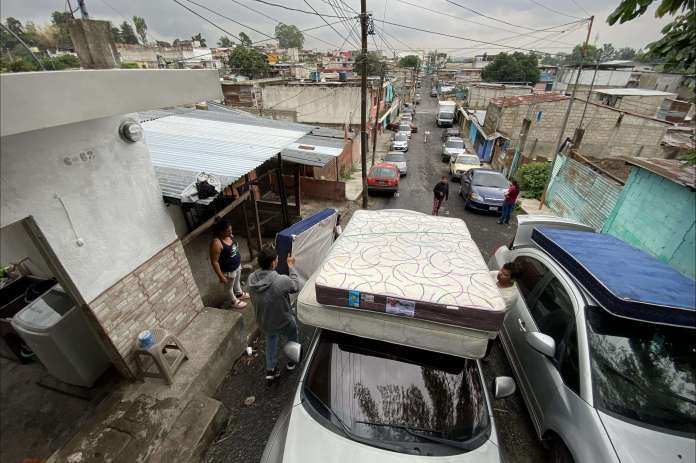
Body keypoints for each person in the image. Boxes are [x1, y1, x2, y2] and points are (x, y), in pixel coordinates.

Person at [248, 245, 300, 381]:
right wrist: (291, 266)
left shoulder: (251, 279)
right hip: (283, 321)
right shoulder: (281, 280)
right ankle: (291, 362)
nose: (277, 261)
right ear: (273, 263)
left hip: (264, 322)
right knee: (292, 336)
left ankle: (270, 369)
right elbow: (295, 286)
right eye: (277, 259)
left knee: (271, 339)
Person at [210, 219, 248, 310]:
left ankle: (239, 293)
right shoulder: (216, 243)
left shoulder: (229, 236)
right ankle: (233, 301)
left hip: (236, 265)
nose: (231, 232)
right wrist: (221, 276)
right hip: (228, 269)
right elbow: (214, 262)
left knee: (237, 281)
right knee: (229, 287)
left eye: (231, 229)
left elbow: (233, 248)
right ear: (221, 232)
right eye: (228, 230)